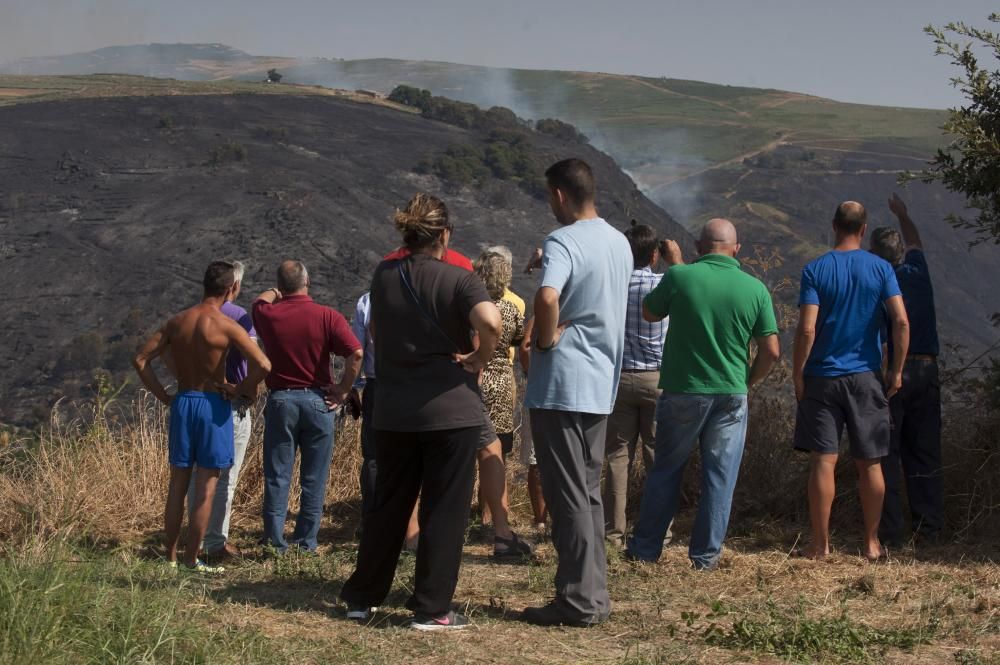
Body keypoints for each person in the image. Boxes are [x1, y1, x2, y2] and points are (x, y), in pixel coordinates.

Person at [340, 193, 501, 631]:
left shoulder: (384, 275)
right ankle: (431, 608)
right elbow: (491, 322)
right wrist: (478, 356)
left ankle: (361, 597)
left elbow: (375, 331)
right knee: (443, 510)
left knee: (388, 505)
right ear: (445, 234)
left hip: (392, 409)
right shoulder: (459, 279)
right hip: (451, 411)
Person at [626, 221, 781, 569]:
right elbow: (771, 350)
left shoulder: (681, 277)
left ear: (698, 246)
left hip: (684, 389)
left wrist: (676, 269)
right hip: (730, 392)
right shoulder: (755, 288)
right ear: (736, 249)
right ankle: (706, 557)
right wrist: (749, 381)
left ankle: (646, 550)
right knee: (719, 476)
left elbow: (650, 312)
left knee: (666, 470)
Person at [522, 158, 632, 627]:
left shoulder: (562, 240)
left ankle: (576, 601)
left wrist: (544, 340)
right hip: (599, 382)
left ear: (561, 196)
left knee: (567, 496)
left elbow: (548, 298)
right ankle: (595, 595)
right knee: (587, 493)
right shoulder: (619, 241)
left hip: (561, 383)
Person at [133, 261, 270, 574]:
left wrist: (164, 396)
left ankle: (169, 557)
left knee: (177, 484)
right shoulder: (225, 325)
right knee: (207, 487)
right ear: (230, 289)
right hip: (212, 406)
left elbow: (140, 359)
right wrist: (239, 389)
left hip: (183, 402)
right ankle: (191, 560)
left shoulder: (178, 321)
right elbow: (264, 365)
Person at [793, 201, 910, 561]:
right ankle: (872, 543)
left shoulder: (815, 269)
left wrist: (798, 372)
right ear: (863, 229)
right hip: (865, 376)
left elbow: (808, 327)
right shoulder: (881, 268)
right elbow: (901, 322)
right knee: (871, 463)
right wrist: (896, 371)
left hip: (823, 377)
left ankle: (819, 545)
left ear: (834, 225)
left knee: (822, 462)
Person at [252, 260, 363, 553]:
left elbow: (259, 301)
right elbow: (357, 353)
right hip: (318, 401)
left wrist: (276, 291)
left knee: (278, 475)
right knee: (314, 477)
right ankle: (305, 542)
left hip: (281, 400)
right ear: (308, 281)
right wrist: (343, 389)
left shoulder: (268, 315)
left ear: (281, 286)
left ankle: (274, 542)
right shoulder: (327, 316)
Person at [869, 194, 943, 546]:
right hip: (927, 371)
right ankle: (930, 530)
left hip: (893, 372)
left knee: (888, 454)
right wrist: (904, 213)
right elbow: (915, 241)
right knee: (925, 451)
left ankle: (892, 534)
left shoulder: (880, 284)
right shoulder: (917, 270)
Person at [185, 260, 258, 564]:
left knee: (195, 476)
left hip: (196, 399)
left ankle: (193, 541)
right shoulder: (240, 317)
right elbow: (258, 361)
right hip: (230, 404)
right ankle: (216, 541)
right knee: (226, 475)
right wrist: (246, 388)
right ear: (234, 287)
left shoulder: (192, 316)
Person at [603, 222, 670, 549]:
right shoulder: (664, 284)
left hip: (620, 379)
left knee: (617, 457)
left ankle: (613, 534)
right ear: (655, 254)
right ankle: (659, 532)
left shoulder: (613, 287)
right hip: (658, 378)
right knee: (658, 457)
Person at [473, 250, 533, 558]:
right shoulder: (511, 309)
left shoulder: (471, 308)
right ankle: (495, 518)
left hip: (473, 380)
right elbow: (520, 341)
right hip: (501, 381)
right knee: (498, 451)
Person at [349, 291, 421, 550]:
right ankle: (409, 528)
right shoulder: (420, 294)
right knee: (411, 456)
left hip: (377, 384)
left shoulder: (368, 300)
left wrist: (352, 386)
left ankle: (373, 522)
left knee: (374, 457)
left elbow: (358, 347)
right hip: (413, 384)